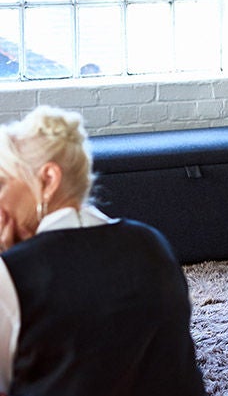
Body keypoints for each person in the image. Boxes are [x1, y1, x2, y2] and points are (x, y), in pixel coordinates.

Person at [0, 106, 205, 396]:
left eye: (2, 183)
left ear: (48, 179)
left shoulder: (12, 274)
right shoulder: (153, 242)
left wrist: (11, 263)